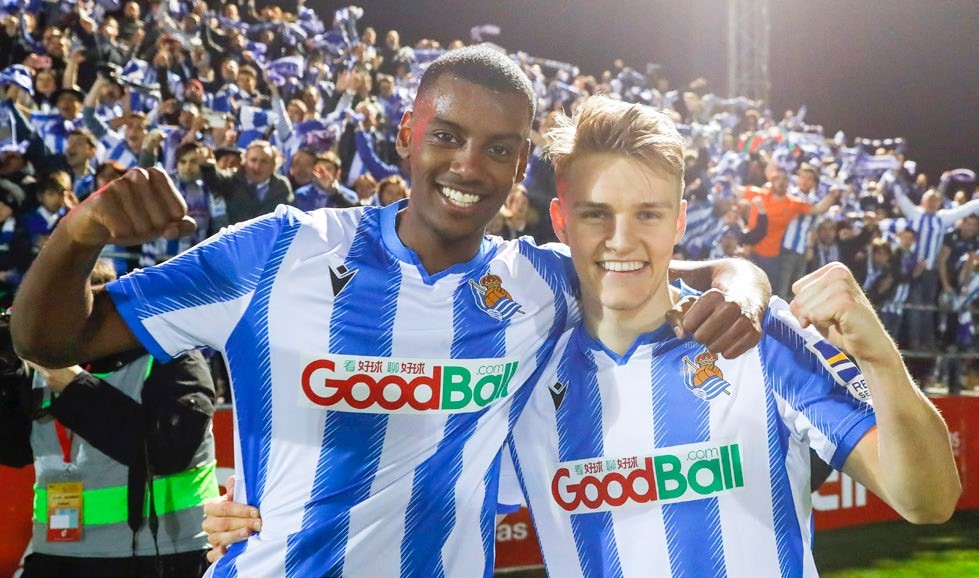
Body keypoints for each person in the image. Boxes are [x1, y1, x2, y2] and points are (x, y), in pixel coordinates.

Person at [13, 47, 769, 577]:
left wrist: (741, 280)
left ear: (517, 168)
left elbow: (674, 272)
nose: (468, 164)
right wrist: (81, 233)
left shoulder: (541, 282)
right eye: (447, 136)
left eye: (498, 149)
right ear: (407, 135)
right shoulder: (280, 250)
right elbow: (52, 337)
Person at [501, 95, 959, 577]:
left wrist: (881, 359)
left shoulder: (759, 336)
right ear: (561, 221)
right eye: (596, 214)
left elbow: (928, 500)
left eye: (648, 215)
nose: (621, 240)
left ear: (679, 221)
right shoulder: (524, 379)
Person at [1, 260, 218, 578]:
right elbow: (12, 449)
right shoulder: (39, 366)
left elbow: (168, 450)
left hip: (164, 557)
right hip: (58, 558)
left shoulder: (170, 355)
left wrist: (71, 383)